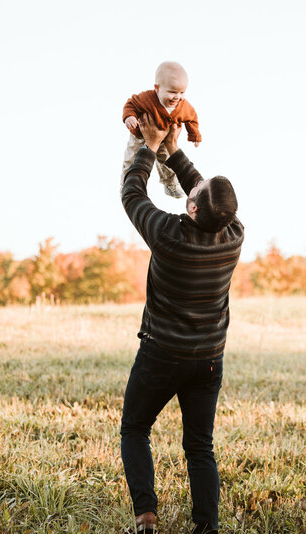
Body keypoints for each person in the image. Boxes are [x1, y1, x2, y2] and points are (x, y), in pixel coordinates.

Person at [120, 115, 242, 534]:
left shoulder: (167, 234)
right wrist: (175, 151)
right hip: (208, 359)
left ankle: (146, 515)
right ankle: (206, 526)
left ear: (192, 208)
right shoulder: (234, 233)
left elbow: (132, 193)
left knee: (135, 428)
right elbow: (207, 198)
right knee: (200, 447)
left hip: (161, 355)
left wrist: (149, 147)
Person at [121, 61, 202, 198]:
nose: (177, 97)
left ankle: (170, 184)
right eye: (172, 92)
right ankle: (126, 185)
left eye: (182, 92)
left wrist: (194, 134)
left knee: (168, 163)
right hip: (139, 136)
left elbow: (192, 118)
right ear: (157, 88)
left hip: (164, 140)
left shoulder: (183, 106)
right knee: (132, 159)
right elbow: (131, 104)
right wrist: (129, 117)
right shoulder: (147, 98)